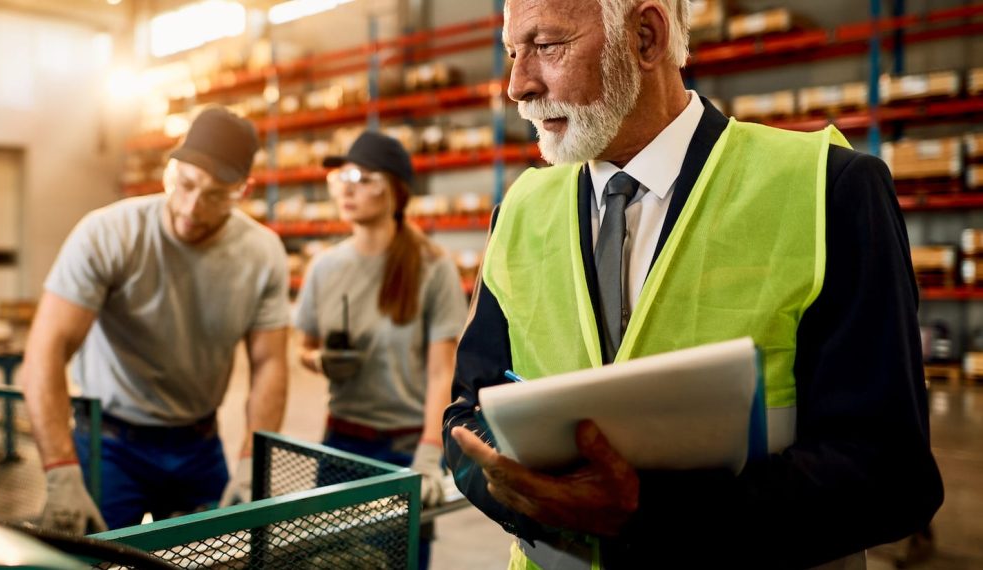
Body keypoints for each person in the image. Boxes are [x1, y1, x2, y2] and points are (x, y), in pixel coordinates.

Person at [443, 0, 943, 568]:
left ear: (646, 37)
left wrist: (645, 513)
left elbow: (892, 477)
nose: (517, 86)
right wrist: (527, 500)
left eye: (547, 45)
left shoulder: (828, 190)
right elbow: (467, 412)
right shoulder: (520, 211)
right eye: (512, 52)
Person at [22, 107, 290, 535]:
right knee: (92, 560)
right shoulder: (109, 234)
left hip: (198, 445)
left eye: (216, 195)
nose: (191, 208)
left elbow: (270, 364)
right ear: (171, 168)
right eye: (184, 185)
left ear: (243, 189)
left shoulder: (262, 253)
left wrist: (250, 465)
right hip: (110, 444)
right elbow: (46, 350)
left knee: (217, 558)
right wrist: (60, 471)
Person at [294, 131, 468, 567]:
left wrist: (430, 455)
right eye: (343, 176)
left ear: (396, 191)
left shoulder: (432, 267)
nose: (348, 187)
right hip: (340, 445)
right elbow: (303, 346)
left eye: (364, 177)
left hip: (404, 450)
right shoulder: (325, 268)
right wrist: (319, 362)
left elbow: (440, 372)